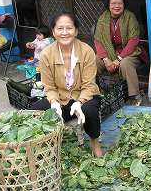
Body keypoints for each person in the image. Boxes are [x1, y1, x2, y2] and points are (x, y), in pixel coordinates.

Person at [31, 12, 102, 157]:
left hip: (85, 95)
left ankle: (95, 143)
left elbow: (89, 84)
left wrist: (79, 102)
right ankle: (46, 147)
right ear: (53, 31)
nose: (64, 33)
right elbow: (49, 87)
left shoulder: (86, 51)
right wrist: (54, 102)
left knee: (89, 111)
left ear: (76, 31)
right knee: (35, 110)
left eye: (69, 28)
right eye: (60, 28)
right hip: (61, 97)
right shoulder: (46, 54)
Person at [94, 0, 148, 102]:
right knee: (95, 60)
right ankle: (95, 92)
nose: (117, 6)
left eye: (120, 3)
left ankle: (134, 96)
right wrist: (105, 59)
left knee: (125, 63)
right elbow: (97, 41)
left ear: (124, 4)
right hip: (109, 53)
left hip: (130, 53)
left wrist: (118, 59)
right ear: (108, 5)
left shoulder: (130, 17)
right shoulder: (102, 19)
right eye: (113, 3)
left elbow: (134, 40)